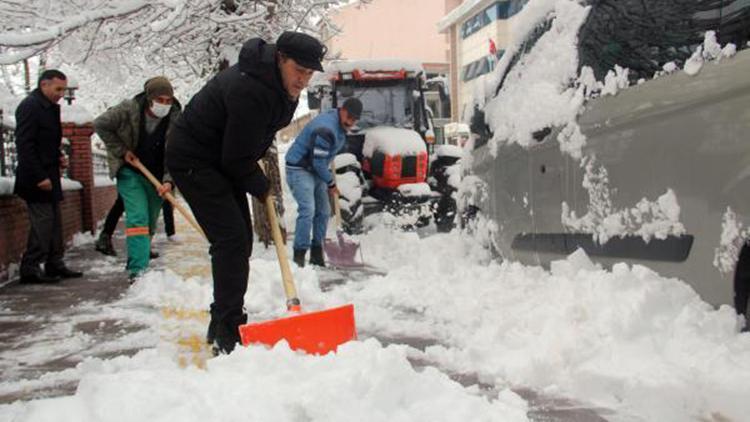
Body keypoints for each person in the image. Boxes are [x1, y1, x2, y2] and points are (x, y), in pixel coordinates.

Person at [166, 31, 326, 354]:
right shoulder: (250, 88)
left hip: (221, 160)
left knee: (239, 240)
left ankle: (221, 320)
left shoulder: (278, 83)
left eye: (309, 74)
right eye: (299, 71)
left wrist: (252, 168)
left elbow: (248, 142)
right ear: (280, 58)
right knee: (231, 239)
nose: (303, 81)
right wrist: (259, 183)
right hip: (195, 159)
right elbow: (236, 158)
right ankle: (228, 329)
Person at [94, 77, 181, 282]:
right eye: (160, 99)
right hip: (130, 171)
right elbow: (100, 124)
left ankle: (141, 257)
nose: (165, 105)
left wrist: (169, 180)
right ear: (150, 98)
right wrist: (122, 151)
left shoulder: (176, 118)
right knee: (138, 218)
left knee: (149, 221)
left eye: (169, 100)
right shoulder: (128, 110)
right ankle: (137, 271)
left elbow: (177, 152)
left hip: (157, 177)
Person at [14, 69, 83, 284]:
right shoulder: (30, 107)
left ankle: (55, 263)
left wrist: (59, 156)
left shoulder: (50, 108)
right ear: (44, 85)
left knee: (55, 223)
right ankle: (30, 268)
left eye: (63, 89)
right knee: (43, 223)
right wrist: (39, 176)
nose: (61, 94)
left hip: (50, 175)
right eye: (58, 88)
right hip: (35, 178)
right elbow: (25, 144)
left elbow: (48, 141)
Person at [285, 97, 362, 267]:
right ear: (342, 110)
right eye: (349, 117)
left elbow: (321, 161)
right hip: (299, 168)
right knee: (308, 210)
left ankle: (317, 253)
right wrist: (331, 183)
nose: (350, 122)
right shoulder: (326, 129)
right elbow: (318, 162)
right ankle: (299, 257)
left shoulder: (338, 124)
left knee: (324, 211)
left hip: (315, 168)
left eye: (354, 119)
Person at [94, 194, 176, 257]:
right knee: (129, 205)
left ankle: (105, 237)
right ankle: (142, 248)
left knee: (121, 203)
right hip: (135, 176)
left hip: (133, 176)